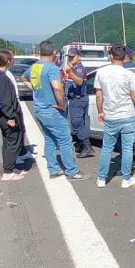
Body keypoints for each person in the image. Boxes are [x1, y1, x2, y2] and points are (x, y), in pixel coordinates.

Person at [23, 41, 89, 180]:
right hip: (52, 110)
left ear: (40, 52)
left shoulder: (34, 67)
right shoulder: (52, 68)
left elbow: (23, 78)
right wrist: (61, 105)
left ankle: (53, 169)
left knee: (50, 139)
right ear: (53, 53)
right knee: (65, 140)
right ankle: (72, 171)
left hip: (39, 109)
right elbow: (58, 88)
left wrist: (36, 89)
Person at [94, 45, 135, 189]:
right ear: (125, 56)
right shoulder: (128, 74)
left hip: (111, 115)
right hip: (127, 115)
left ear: (110, 56)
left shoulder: (101, 73)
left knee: (107, 147)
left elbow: (98, 96)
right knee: (127, 148)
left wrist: (100, 112)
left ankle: (102, 178)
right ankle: (126, 179)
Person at [0, 51, 26, 181]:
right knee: (13, 141)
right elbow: (5, 100)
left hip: (0, 115)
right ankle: (8, 172)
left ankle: (10, 167)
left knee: (7, 141)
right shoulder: (3, 77)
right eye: (12, 59)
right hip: (6, 116)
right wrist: (11, 117)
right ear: (7, 61)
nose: (13, 61)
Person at [63, 49, 94, 158]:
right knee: (80, 123)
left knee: (77, 124)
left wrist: (70, 73)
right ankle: (82, 144)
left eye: (73, 56)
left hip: (78, 99)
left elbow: (79, 81)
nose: (71, 59)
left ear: (79, 57)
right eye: (70, 57)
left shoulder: (79, 68)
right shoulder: (73, 68)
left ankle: (87, 147)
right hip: (75, 99)